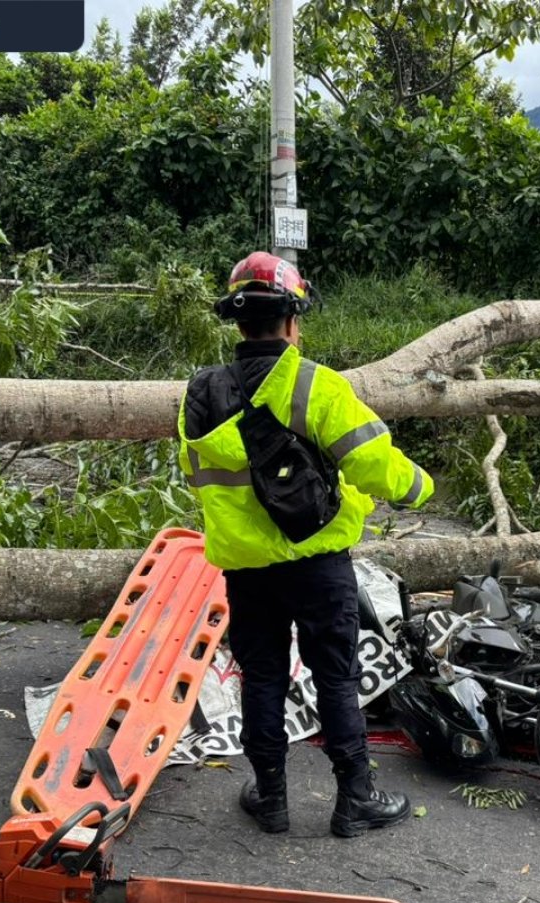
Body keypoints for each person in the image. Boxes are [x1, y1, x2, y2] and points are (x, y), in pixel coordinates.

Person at [178, 251, 435, 838]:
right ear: (292, 320)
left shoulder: (199, 394)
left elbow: (197, 476)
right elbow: (375, 465)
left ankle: (270, 798)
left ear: (237, 322)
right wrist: (418, 487)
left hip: (246, 570)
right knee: (336, 678)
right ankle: (355, 799)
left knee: (262, 678)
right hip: (318, 563)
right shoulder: (316, 385)